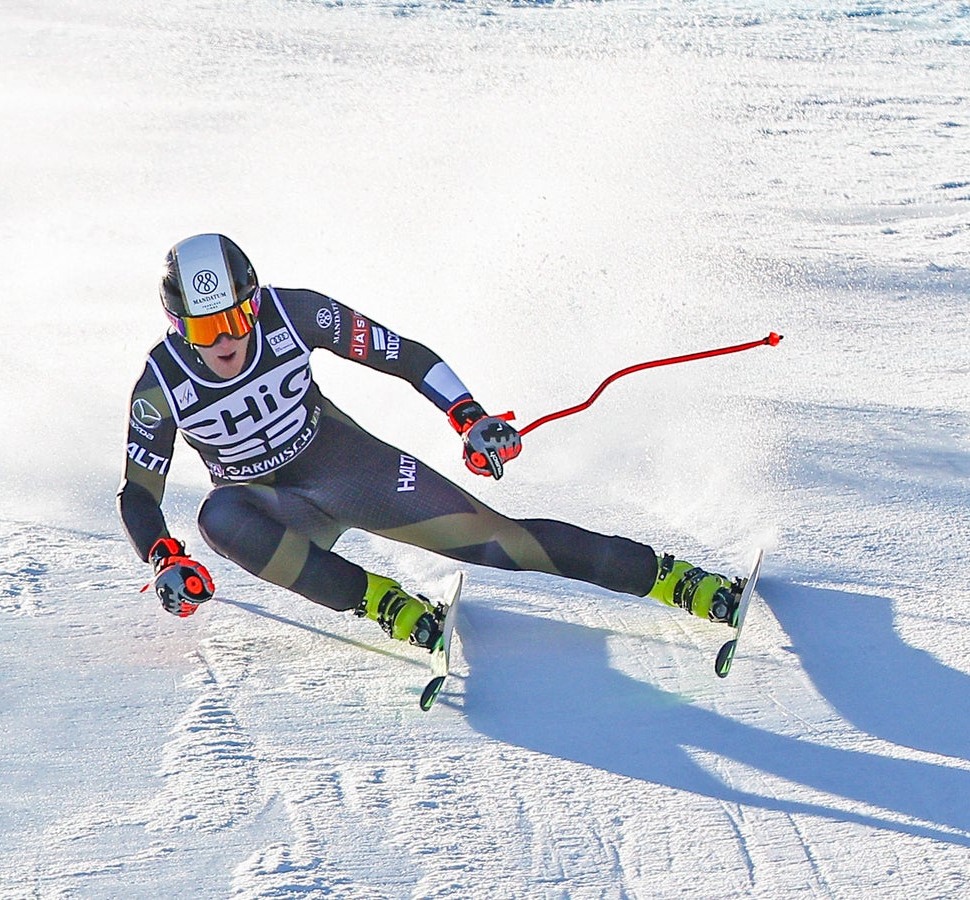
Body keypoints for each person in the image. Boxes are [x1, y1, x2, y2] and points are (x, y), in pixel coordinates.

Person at [117, 233, 742, 651]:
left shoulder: (296, 312)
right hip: (271, 510)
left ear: (255, 304)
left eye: (236, 319)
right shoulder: (160, 385)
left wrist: (468, 416)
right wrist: (162, 558)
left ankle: (672, 579)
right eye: (206, 329)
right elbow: (139, 494)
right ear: (177, 327)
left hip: (345, 467)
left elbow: (404, 356)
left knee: (503, 544)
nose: (226, 341)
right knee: (216, 515)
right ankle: (381, 603)